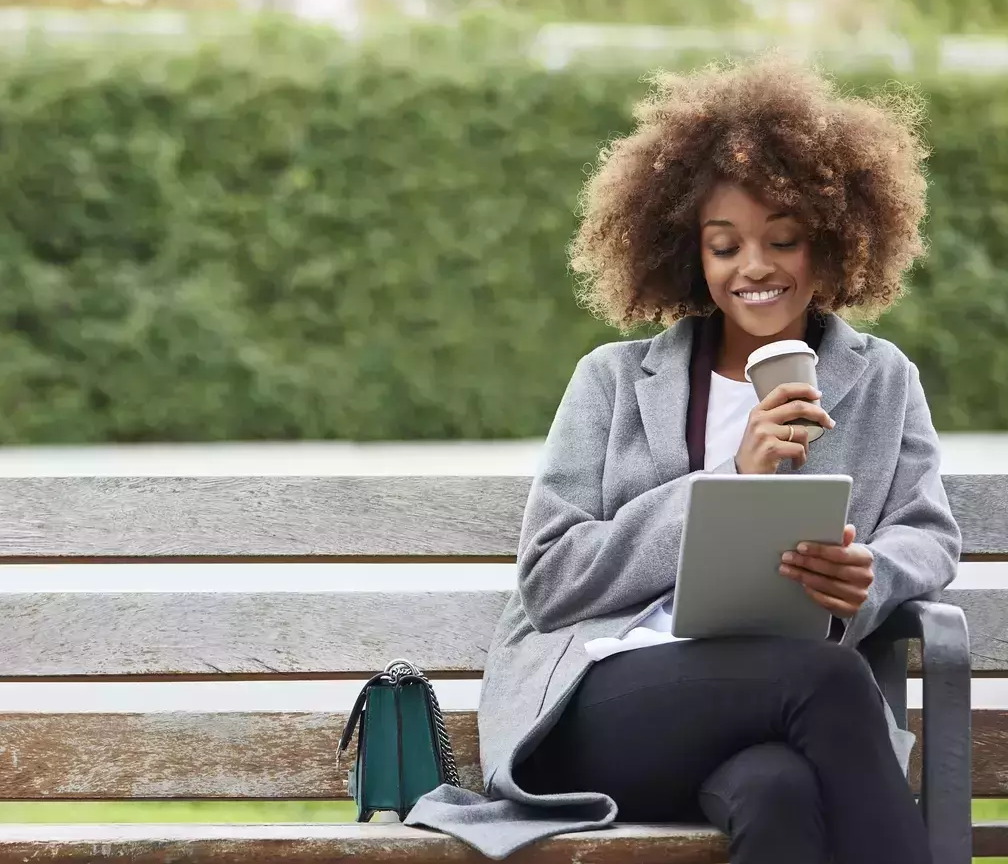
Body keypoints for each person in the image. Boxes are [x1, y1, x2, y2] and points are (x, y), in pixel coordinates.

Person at [406, 54, 962, 863]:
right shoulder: (613, 381)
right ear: (689, 254)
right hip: (603, 702)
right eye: (724, 245)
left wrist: (870, 574)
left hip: (777, 717)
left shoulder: (881, 380)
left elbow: (928, 533)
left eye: (784, 239)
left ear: (833, 243)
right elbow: (553, 575)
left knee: (779, 791)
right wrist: (729, 477)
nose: (756, 267)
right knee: (831, 681)